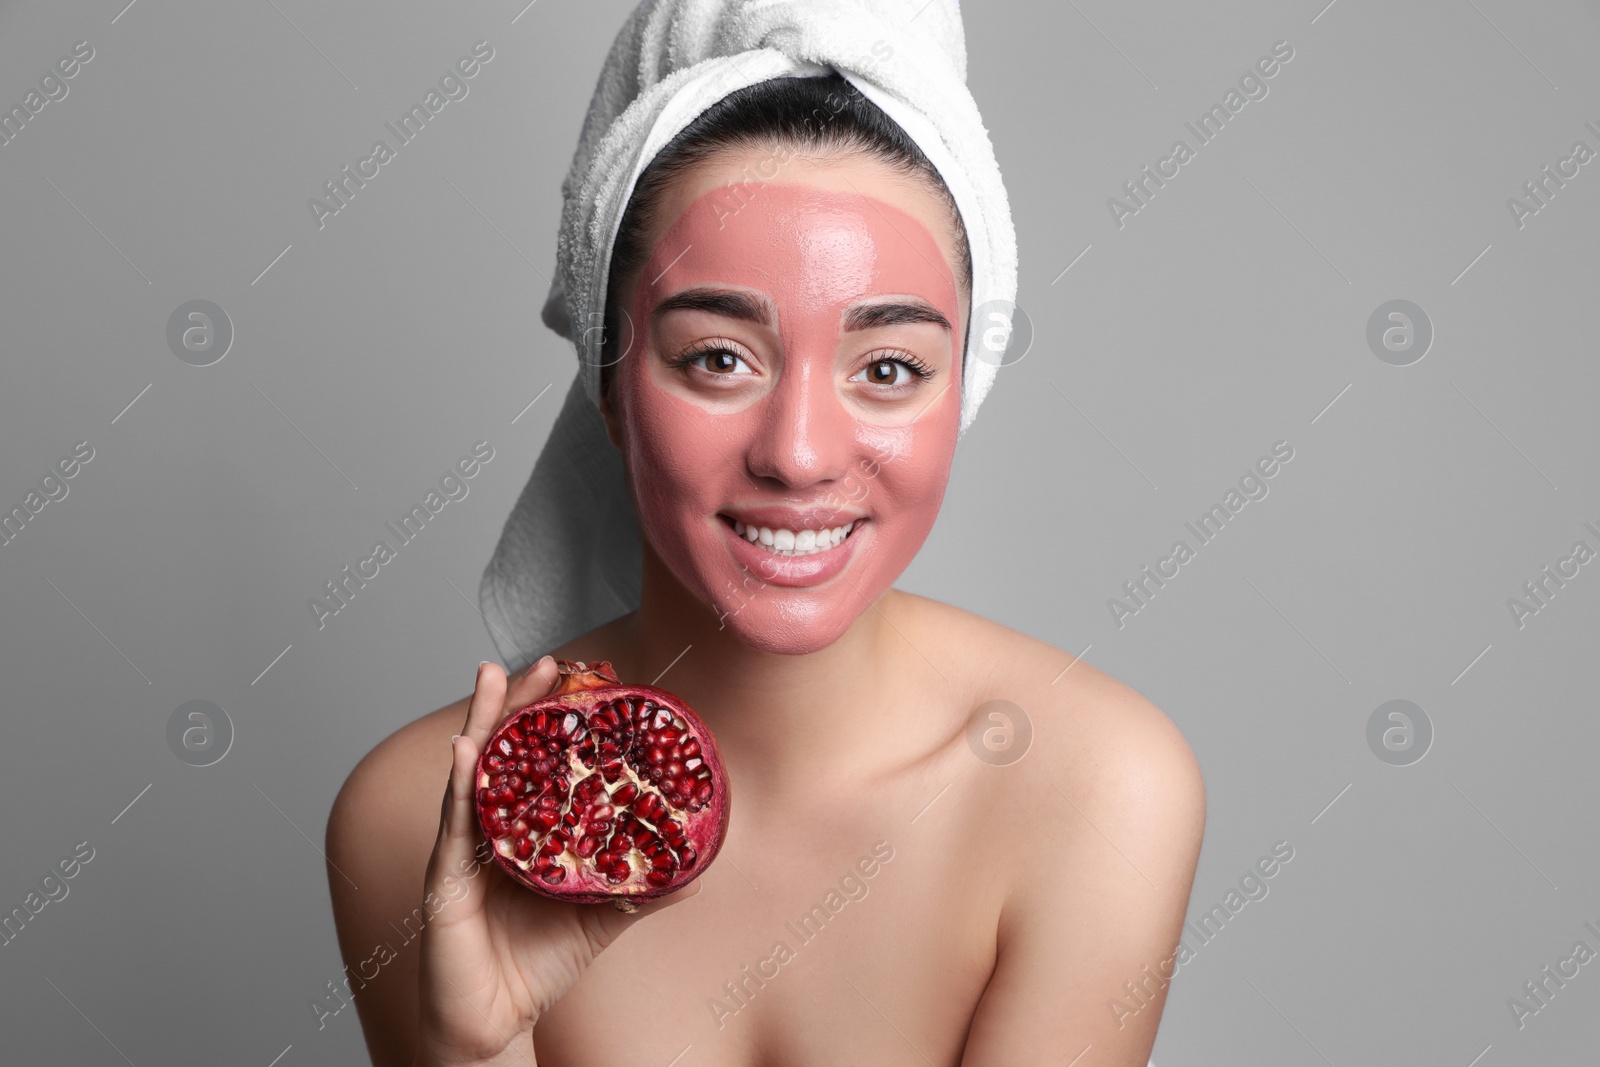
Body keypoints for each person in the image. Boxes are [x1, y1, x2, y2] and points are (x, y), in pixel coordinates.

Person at [326, 8, 1204, 1066]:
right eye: (718, 358)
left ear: (959, 391)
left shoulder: (1096, 789)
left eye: (887, 368)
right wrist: (474, 1047)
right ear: (610, 385)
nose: (797, 454)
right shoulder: (413, 819)